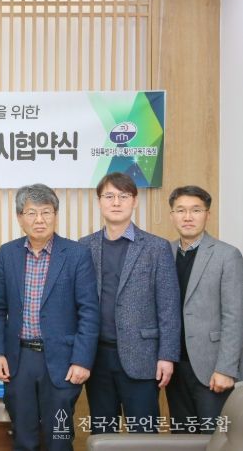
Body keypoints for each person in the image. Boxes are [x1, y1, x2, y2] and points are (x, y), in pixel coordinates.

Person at [0, 183, 99, 451]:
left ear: (55, 215)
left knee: (58, 438)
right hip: (19, 360)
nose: (40, 219)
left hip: (61, 361)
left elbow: (88, 310)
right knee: (23, 438)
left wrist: (82, 359)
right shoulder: (8, 253)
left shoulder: (76, 254)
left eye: (46, 212)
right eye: (31, 213)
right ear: (20, 218)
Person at [80, 172, 180, 433]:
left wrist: (167, 356)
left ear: (134, 201)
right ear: (99, 201)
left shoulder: (156, 248)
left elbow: (169, 307)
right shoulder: (84, 247)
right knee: (103, 433)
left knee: (143, 434)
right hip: (97, 358)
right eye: (109, 196)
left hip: (143, 357)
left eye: (123, 196)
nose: (116, 202)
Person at [166, 185, 243, 433]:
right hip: (174, 366)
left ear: (207, 214)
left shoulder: (227, 255)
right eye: (181, 210)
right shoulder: (164, 252)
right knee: (182, 437)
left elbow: (235, 316)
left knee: (216, 439)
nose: (187, 217)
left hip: (211, 368)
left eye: (196, 210)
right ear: (172, 215)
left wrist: (226, 369)